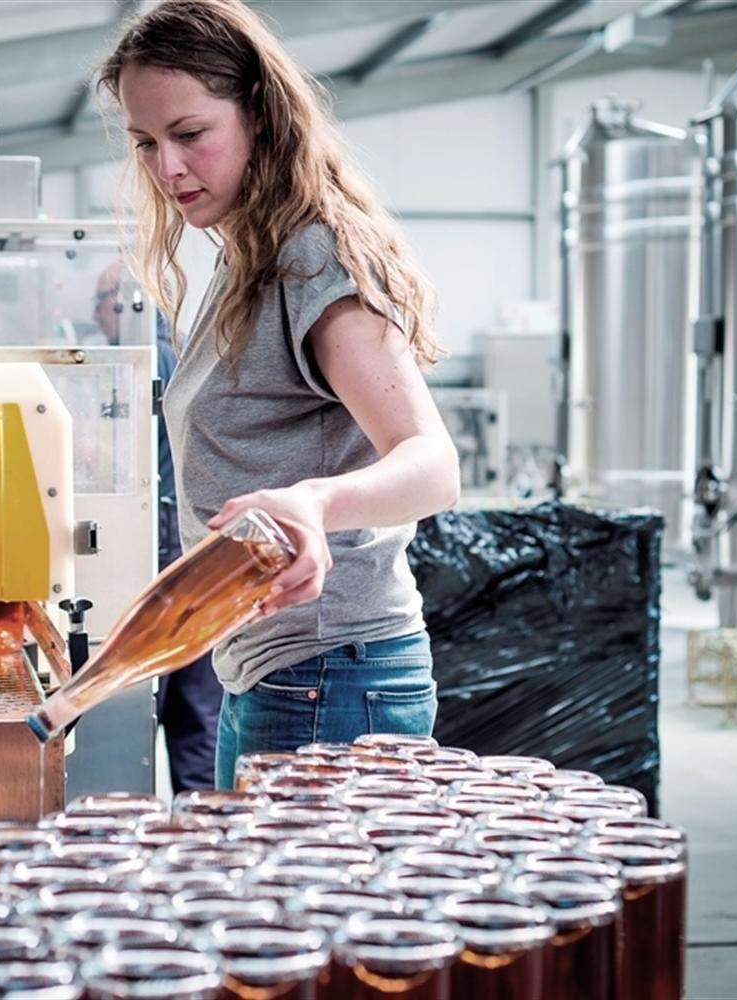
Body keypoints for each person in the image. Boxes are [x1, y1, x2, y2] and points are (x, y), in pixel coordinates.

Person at [98, 0, 461, 789]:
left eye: (191, 135)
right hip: (278, 672)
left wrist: (314, 503)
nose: (167, 170)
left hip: (333, 676)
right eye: (146, 143)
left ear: (260, 114)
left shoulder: (312, 254)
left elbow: (432, 465)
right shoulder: (245, 259)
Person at [93, 261, 224, 794]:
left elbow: (117, 456)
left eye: (101, 299)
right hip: (189, 546)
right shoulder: (183, 355)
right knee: (197, 721)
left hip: (163, 546)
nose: (96, 312)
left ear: (130, 303)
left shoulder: (154, 364)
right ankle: (202, 840)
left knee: (174, 713)